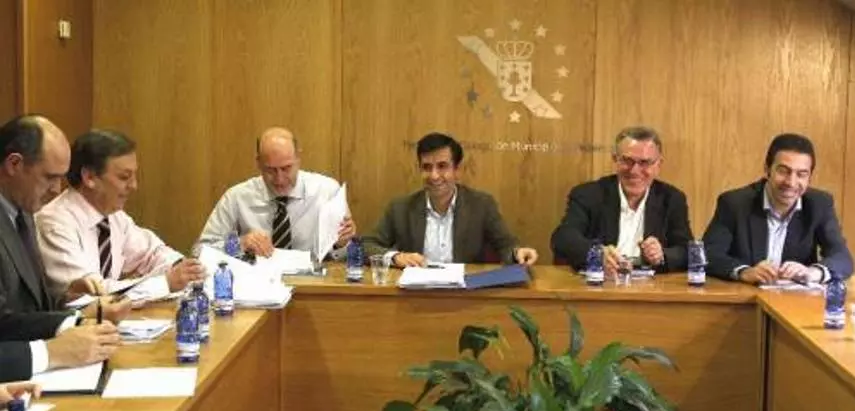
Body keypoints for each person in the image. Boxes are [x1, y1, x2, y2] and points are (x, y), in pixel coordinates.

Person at [0, 115, 126, 382]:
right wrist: (51, 352)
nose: (57, 190)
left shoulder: (22, 213)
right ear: (14, 164)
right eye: (50, 177)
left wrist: (70, 305)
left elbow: (26, 309)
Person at [36, 129, 205, 297]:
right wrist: (165, 283)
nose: (134, 186)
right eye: (124, 177)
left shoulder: (114, 217)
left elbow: (151, 253)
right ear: (90, 178)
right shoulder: (54, 224)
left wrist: (181, 267)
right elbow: (91, 294)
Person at [363, 132, 538, 266]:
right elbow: (367, 245)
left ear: (457, 170)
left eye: (442, 166)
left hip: (466, 295)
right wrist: (396, 257)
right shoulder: (400, 208)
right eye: (427, 167)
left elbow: (506, 245)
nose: (434, 176)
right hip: (415, 295)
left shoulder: (482, 205)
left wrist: (517, 253)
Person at [703, 133, 854, 284]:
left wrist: (813, 272)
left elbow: (842, 257)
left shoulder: (819, 204)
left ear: (810, 177)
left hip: (794, 297)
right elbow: (708, 254)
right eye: (783, 171)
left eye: (801, 174)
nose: (791, 182)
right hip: (745, 295)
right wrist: (744, 271)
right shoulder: (735, 203)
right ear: (767, 169)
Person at [197, 127, 356, 259]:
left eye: (286, 168)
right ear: (258, 163)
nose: (279, 179)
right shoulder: (236, 197)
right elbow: (200, 251)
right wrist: (239, 244)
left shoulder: (327, 191)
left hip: (313, 282)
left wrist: (341, 243)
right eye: (270, 170)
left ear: (298, 159)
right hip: (256, 282)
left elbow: (347, 256)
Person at [551, 126, 693, 272]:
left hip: (651, 283)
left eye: (644, 162)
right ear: (615, 159)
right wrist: (597, 254)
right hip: (601, 280)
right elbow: (563, 238)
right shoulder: (589, 194)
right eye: (627, 160)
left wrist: (662, 255)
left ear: (658, 165)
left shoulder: (672, 199)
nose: (634, 170)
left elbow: (687, 250)